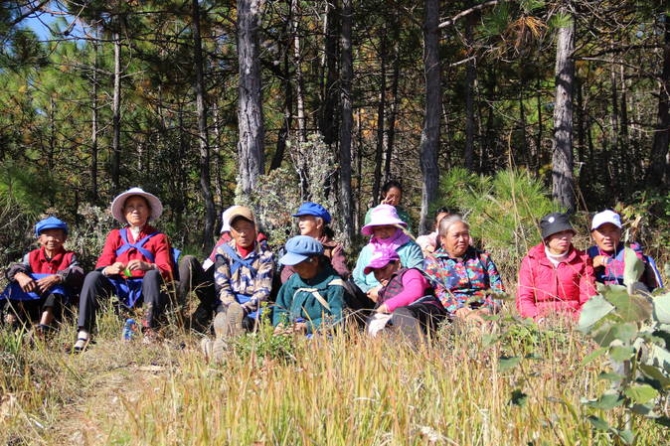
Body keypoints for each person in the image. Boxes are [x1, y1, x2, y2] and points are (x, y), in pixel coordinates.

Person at [74, 188, 174, 352]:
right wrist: (109, 268)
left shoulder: (158, 238)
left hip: (146, 287)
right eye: (130, 206)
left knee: (152, 275)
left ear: (148, 211)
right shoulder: (115, 236)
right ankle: (84, 333)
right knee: (92, 277)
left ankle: (150, 331)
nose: (135, 210)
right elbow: (103, 262)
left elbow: (166, 269)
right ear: (124, 212)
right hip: (119, 286)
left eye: (140, 206)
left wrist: (148, 266)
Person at [178, 205, 268, 331]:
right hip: (216, 287)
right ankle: (179, 308)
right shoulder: (225, 239)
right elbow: (210, 261)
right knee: (189, 261)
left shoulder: (259, 244)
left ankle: (210, 313)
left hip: (237, 294)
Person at [206, 206, 274, 358]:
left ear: (255, 229)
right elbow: (222, 286)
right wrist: (233, 306)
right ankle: (224, 350)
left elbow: (264, 290)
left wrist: (244, 309)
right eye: (238, 229)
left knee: (244, 324)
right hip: (229, 304)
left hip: (255, 308)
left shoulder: (265, 254)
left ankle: (216, 349)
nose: (243, 234)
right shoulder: (223, 252)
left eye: (247, 228)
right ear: (231, 232)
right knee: (225, 319)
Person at [1, 216, 84, 335]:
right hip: (30, 302)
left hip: (56, 306)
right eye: (47, 235)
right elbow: (16, 268)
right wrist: (20, 275)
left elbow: (77, 271)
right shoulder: (31, 256)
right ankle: (10, 326)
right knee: (14, 286)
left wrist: (58, 277)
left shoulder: (69, 257)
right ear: (40, 239)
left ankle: (42, 329)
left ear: (64, 238)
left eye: (57, 235)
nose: (52, 239)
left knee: (56, 290)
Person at [516, 212, 597, 321]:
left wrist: (572, 320)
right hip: (539, 322)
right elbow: (524, 299)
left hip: (574, 322)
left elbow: (589, 300)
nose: (564, 237)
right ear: (547, 237)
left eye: (567, 232)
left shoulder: (582, 261)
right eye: (558, 233)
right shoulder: (531, 260)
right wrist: (538, 318)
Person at [423, 215, 505, 322]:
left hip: (486, 313)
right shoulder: (433, 262)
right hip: (452, 317)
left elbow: (498, 289)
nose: (462, 239)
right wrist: (459, 310)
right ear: (443, 238)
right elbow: (438, 292)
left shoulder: (482, 258)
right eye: (456, 235)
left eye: (465, 234)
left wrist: (487, 309)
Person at [363, 247, 445, 342]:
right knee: (382, 331)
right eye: (376, 273)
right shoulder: (383, 292)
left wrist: (385, 307)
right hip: (399, 321)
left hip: (425, 311)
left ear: (397, 263)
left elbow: (414, 292)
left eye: (384, 269)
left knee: (402, 313)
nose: (380, 276)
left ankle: (421, 347)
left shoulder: (410, 273)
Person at [273, 236, 345, 335]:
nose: (294, 268)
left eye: (298, 264)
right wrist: (280, 325)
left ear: (314, 261)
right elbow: (280, 308)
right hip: (292, 332)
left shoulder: (333, 285)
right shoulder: (293, 282)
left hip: (323, 336)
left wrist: (308, 326)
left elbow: (338, 318)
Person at [353, 204, 424, 304]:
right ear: (373, 231)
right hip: (370, 297)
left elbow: (416, 276)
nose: (383, 232)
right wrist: (369, 291)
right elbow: (357, 278)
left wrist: (384, 290)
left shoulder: (410, 248)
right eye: (378, 229)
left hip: (400, 296)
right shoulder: (367, 251)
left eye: (388, 227)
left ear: (396, 227)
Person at [587, 210, 663, 292]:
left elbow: (634, 273)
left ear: (620, 232)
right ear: (593, 235)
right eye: (602, 231)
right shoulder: (588, 254)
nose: (608, 237)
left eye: (612, 231)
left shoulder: (632, 249)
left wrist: (604, 261)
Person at [280, 202, 349, 283]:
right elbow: (286, 271)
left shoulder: (334, 249)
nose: (300, 223)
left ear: (319, 222)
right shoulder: (297, 246)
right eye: (300, 219)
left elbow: (341, 271)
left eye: (304, 219)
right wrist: (296, 282)